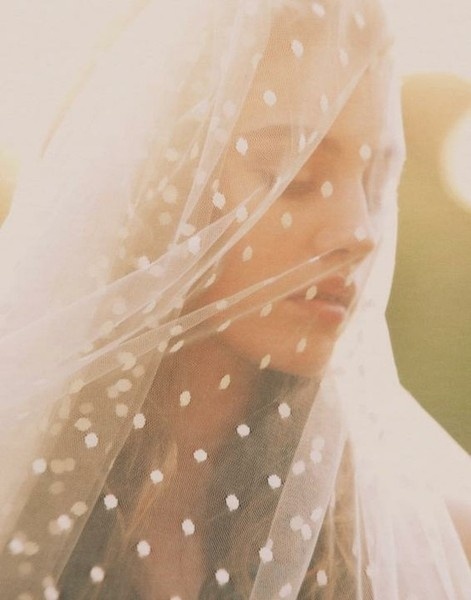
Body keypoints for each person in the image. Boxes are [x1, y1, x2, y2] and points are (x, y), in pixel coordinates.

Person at [0, 0, 469, 598]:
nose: (360, 232)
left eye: (373, 181)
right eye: (291, 174)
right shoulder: (13, 488)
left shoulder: (421, 549)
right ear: (159, 184)